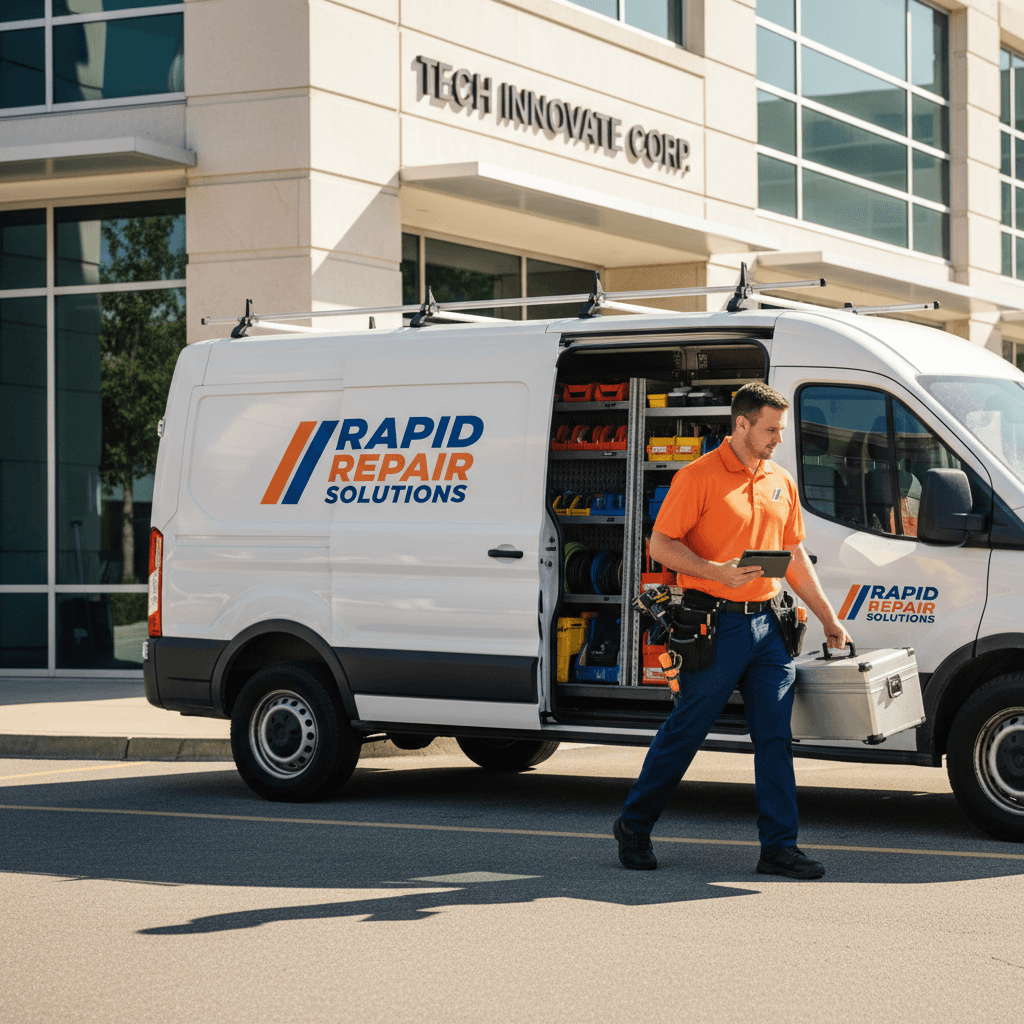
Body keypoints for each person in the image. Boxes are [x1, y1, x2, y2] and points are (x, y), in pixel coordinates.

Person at [614, 382, 850, 880]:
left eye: (779, 431)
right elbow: (661, 546)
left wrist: (829, 617)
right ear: (741, 423)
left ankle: (779, 849)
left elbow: (794, 557)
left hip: (769, 627)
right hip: (713, 626)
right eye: (769, 430)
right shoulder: (697, 477)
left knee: (774, 739)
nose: (776, 440)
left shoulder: (780, 480)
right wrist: (715, 571)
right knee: (687, 730)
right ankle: (634, 825)